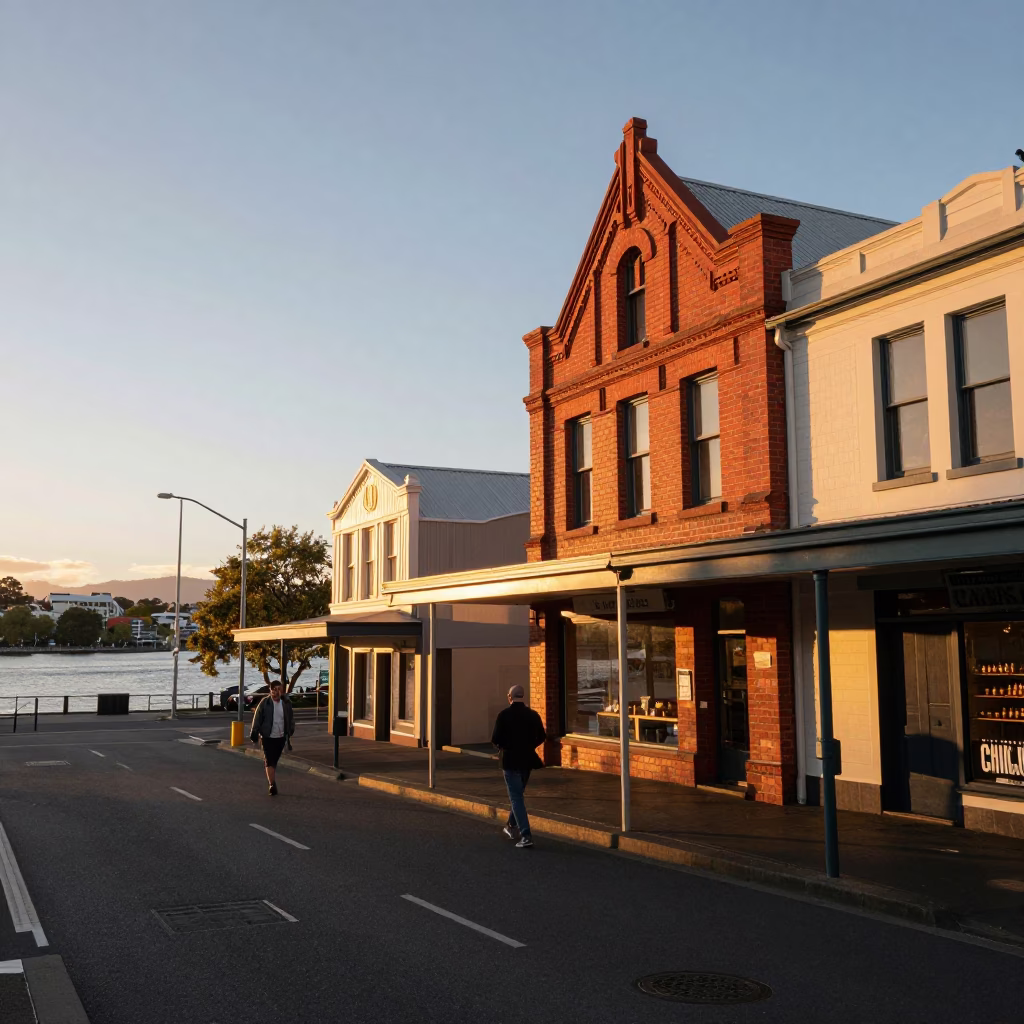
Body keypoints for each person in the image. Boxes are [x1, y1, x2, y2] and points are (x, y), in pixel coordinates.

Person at [491, 683, 546, 849]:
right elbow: (542, 736)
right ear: (523, 696)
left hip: (510, 760)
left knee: (516, 797)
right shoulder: (533, 715)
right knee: (518, 795)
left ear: (509, 697)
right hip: (527, 760)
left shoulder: (504, 715)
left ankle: (526, 834)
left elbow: (495, 738)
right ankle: (510, 826)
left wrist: (503, 748)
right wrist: (529, 746)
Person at [250, 681, 294, 796]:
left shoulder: (286, 703)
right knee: (269, 760)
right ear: (270, 690)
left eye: (279, 689)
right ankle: (272, 784)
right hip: (267, 736)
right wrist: (254, 732)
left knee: (274, 760)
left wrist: (290, 730)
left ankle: (272, 779)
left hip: (281, 736)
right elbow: (257, 718)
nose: (277, 692)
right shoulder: (265, 703)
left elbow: (290, 717)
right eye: (274, 689)